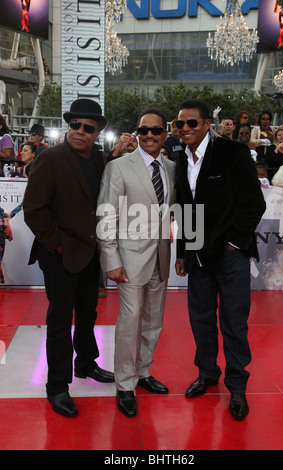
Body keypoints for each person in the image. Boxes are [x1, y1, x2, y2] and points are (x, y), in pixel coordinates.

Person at [174, 99, 266, 420]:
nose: (185, 129)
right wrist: (184, 251)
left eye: (192, 124)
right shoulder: (179, 160)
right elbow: (184, 209)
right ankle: (207, 372)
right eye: (179, 124)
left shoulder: (232, 152)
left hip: (230, 255)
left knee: (233, 321)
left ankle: (237, 385)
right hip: (198, 252)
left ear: (206, 125)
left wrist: (233, 242)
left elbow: (254, 204)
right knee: (200, 318)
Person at [23, 99, 114, 418]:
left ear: (97, 133)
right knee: (60, 321)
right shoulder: (49, 158)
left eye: (88, 128)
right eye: (75, 125)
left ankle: (87, 364)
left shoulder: (102, 160)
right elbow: (34, 210)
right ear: (68, 126)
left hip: (91, 253)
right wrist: (58, 245)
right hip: (59, 253)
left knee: (88, 313)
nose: (80, 131)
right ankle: (57, 386)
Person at [97, 108, 176, 418]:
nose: (150, 136)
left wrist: (180, 250)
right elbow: (107, 216)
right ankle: (125, 384)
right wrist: (111, 260)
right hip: (129, 259)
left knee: (154, 321)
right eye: (144, 131)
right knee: (130, 322)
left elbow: (174, 212)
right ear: (137, 132)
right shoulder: (118, 167)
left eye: (156, 131)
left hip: (162, 255)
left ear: (164, 134)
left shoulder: (171, 166)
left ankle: (144, 372)